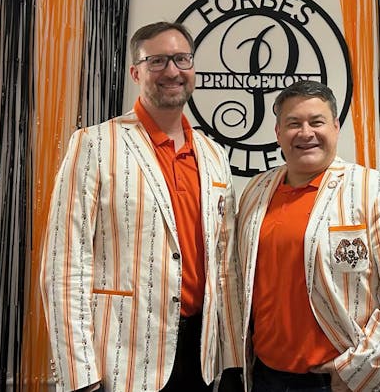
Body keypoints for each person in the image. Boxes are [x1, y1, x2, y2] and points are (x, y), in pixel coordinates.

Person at [41, 21, 242, 392]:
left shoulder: (214, 155)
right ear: (136, 72)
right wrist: (80, 376)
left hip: (201, 358)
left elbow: (225, 265)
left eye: (181, 59)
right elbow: (64, 264)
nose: (172, 71)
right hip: (122, 361)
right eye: (157, 61)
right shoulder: (94, 144)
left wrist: (231, 361)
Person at [235, 80, 380, 392]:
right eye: (293, 123)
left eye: (316, 122)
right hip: (264, 376)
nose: (305, 133)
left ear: (336, 127)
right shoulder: (256, 191)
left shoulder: (374, 190)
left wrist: (359, 367)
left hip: (338, 380)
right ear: (278, 133)